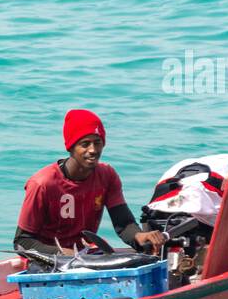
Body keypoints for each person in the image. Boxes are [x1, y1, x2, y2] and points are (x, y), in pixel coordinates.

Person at [14, 109, 166, 257]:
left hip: (85, 257)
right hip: (47, 263)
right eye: (85, 144)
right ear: (71, 147)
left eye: (97, 143)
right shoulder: (43, 183)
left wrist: (138, 236)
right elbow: (22, 242)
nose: (93, 150)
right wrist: (60, 253)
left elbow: (123, 223)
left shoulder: (107, 176)